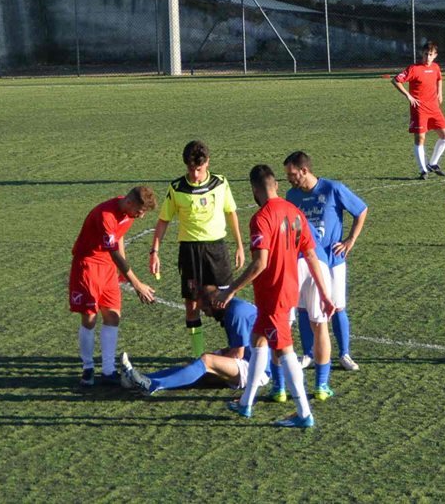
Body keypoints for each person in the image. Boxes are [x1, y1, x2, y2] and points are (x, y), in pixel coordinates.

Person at [216, 164, 335, 428]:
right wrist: (325, 294)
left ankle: (304, 413)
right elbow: (312, 255)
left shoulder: (261, 218)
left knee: (285, 349)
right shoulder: (295, 213)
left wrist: (232, 288)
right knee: (258, 339)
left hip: (273, 294)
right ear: (276, 185)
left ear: (255, 190)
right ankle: (245, 404)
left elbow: (260, 263)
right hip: (287, 289)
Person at [149, 140, 245, 357]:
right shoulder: (176, 188)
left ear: (208, 163)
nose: (194, 175)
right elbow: (163, 220)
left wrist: (239, 245)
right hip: (190, 252)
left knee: (226, 300)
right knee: (192, 303)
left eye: (199, 170)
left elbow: (231, 213)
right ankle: (198, 356)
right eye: (191, 169)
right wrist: (154, 251)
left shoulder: (220, 184)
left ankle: (235, 352)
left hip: (217, 250)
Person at [283, 151, 368, 378]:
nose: (289, 179)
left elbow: (361, 210)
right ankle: (309, 354)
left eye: (292, 174)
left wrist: (350, 240)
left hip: (332, 259)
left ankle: (344, 353)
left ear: (304, 170)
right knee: (303, 307)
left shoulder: (332, 189)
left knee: (337, 306)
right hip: (304, 261)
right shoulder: (291, 196)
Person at [71, 187, 157, 387]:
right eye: (140, 211)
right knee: (90, 317)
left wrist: (121, 275)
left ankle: (108, 370)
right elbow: (113, 253)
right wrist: (136, 284)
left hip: (109, 269)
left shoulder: (127, 211)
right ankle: (88, 368)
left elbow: (119, 238)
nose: (141, 216)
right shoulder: (105, 215)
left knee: (113, 316)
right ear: (129, 203)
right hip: (89, 265)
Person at [119, 288, 271, 394]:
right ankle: (142, 378)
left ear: (214, 304)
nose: (208, 315)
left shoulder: (236, 314)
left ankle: (153, 385)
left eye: (206, 310)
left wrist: (212, 360)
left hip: (257, 372)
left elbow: (238, 354)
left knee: (205, 361)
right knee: (198, 366)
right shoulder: (235, 308)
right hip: (248, 362)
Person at [392, 41, 445, 180]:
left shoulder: (436, 67)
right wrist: (408, 96)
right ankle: (423, 170)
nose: (427, 57)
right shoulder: (414, 68)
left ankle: (433, 163)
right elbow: (396, 80)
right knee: (420, 138)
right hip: (419, 109)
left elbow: (439, 78)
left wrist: (440, 93)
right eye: (425, 54)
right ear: (422, 54)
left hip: (434, 107)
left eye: (430, 55)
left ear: (435, 55)